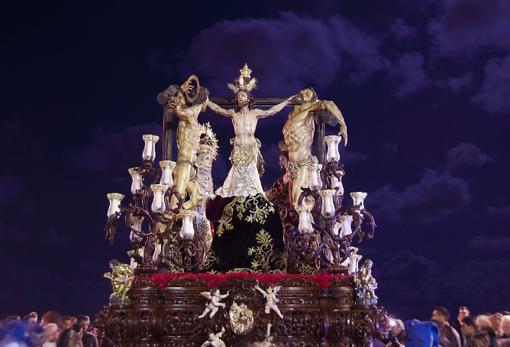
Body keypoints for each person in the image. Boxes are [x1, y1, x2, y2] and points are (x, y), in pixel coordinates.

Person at [205, 64, 291, 271]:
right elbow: (218, 110)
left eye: (244, 95)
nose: (241, 98)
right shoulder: (234, 116)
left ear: (249, 98)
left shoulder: (255, 114)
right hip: (238, 151)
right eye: (239, 95)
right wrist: (206, 101)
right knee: (232, 182)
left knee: (253, 184)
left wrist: (288, 101)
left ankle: (254, 198)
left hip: (250, 150)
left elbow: (272, 111)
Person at [282, 87, 348, 209]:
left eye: (307, 93)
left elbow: (329, 104)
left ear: (313, 98)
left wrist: (343, 124)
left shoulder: (310, 110)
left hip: (304, 165)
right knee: (293, 204)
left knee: (300, 205)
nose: (303, 95)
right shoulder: (291, 116)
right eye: (301, 93)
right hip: (292, 167)